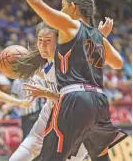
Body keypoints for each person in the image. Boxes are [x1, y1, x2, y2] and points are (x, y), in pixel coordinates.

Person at [14, 0, 128, 161]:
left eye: (63, 6)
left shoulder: (70, 24)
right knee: (101, 157)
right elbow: (118, 63)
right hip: (99, 101)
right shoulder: (96, 36)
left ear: (73, 8)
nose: (61, 10)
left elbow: (38, 5)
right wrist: (100, 38)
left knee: (50, 157)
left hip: (75, 99)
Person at [10, 19, 113, 161]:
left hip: (75, 116)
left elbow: (73, 100)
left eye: (47, 40)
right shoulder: (45, 61)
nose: (42, 45)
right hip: (50, 113)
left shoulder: (68, 64)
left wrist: (100, 36)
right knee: (19, 156)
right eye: (40, 40)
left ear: (58, 42)